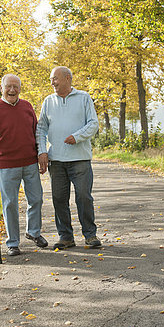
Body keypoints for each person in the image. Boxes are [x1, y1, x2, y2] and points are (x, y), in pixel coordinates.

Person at [0, 74, 48, 257]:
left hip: (30, 162)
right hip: (6, 165)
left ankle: (33, 233)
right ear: (2, 88)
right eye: (8, 86)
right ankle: (13, 243)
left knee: (36, 199)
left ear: (20, 88)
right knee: (10, 204)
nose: (12, 90)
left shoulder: (27, 106)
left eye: (16, 86)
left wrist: (41, 154)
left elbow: (36, 131)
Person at [36, 66, 101, 250]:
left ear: (67, 78)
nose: (52, 83)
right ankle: (65, 237)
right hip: (56, 161)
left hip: (80, 158)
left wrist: (77, 136)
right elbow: (41, 129)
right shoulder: (48, 101)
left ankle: (90, 235)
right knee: (59, 198)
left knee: (83, 197)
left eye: (55, 79)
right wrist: (42, 151)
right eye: (51, 79)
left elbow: (93, 124)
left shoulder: (83, 97)